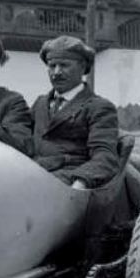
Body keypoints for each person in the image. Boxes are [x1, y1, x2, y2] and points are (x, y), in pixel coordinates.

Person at [27, 35, 120, 190]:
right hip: (32, 173)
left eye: (64, 65)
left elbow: (105, 157)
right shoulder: (40, 103)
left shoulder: (99, 107)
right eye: (52, 66)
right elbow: (22, 140)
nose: (56, 72)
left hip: (69, 181)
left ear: (83, 68)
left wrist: (81, 182)